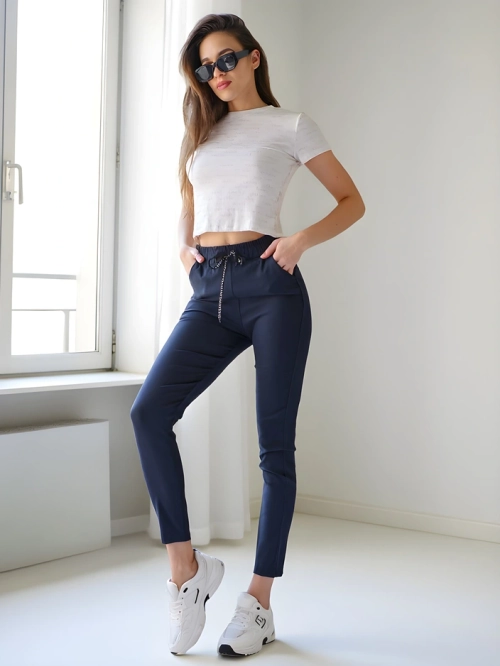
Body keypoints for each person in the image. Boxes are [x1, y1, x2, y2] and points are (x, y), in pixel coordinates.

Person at [130, 12, 365, 658]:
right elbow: (190, 202)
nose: (217, 74)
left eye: (227, 60)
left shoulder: (290, 125)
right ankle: (186, 571)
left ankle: (258, 602)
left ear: (254, 57)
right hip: (209, 287)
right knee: (149, 412)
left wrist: (298, 242)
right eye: (206, 67)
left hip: (270, 288)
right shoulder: (203, 131)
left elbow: (351, 200)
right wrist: (186, 254)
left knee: (274, 451)